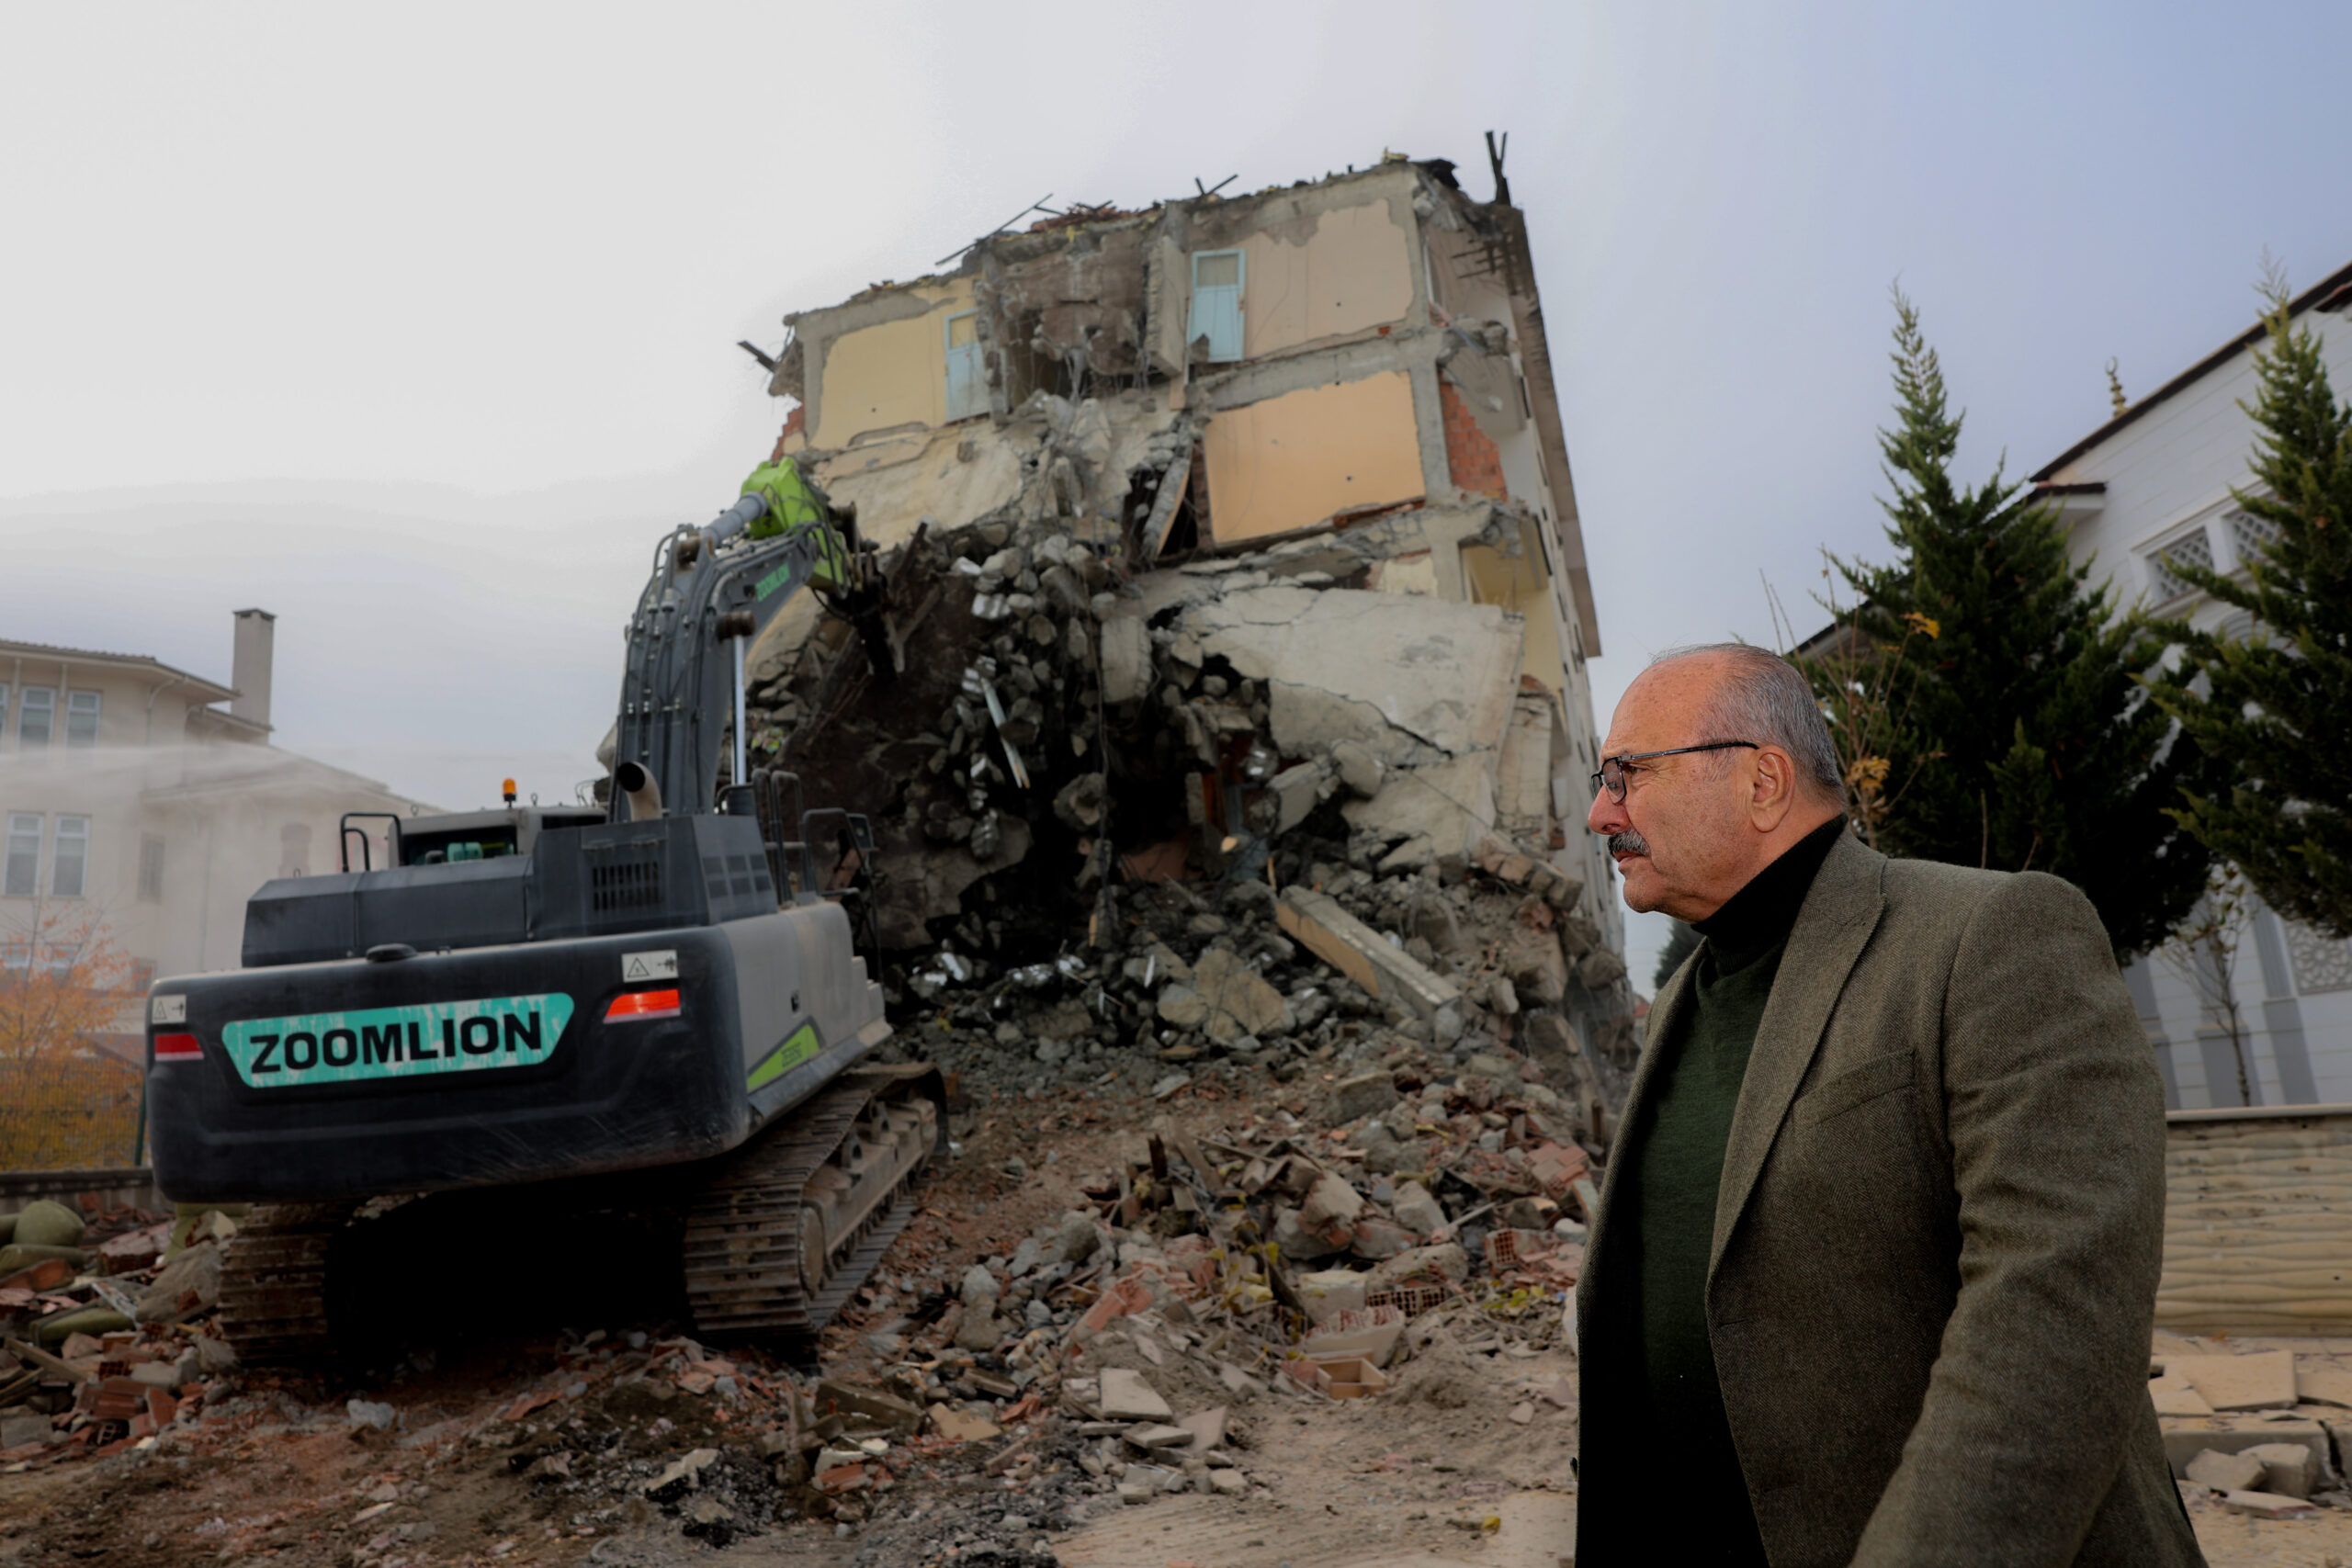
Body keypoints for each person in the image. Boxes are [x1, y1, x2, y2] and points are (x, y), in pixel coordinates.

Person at [1574, 644, 2200, 1567]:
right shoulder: (1679, 1005)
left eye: (1627, 774)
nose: (1601, 812)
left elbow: (2053, 1318)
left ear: (1761, 781)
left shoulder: (1990, 935)